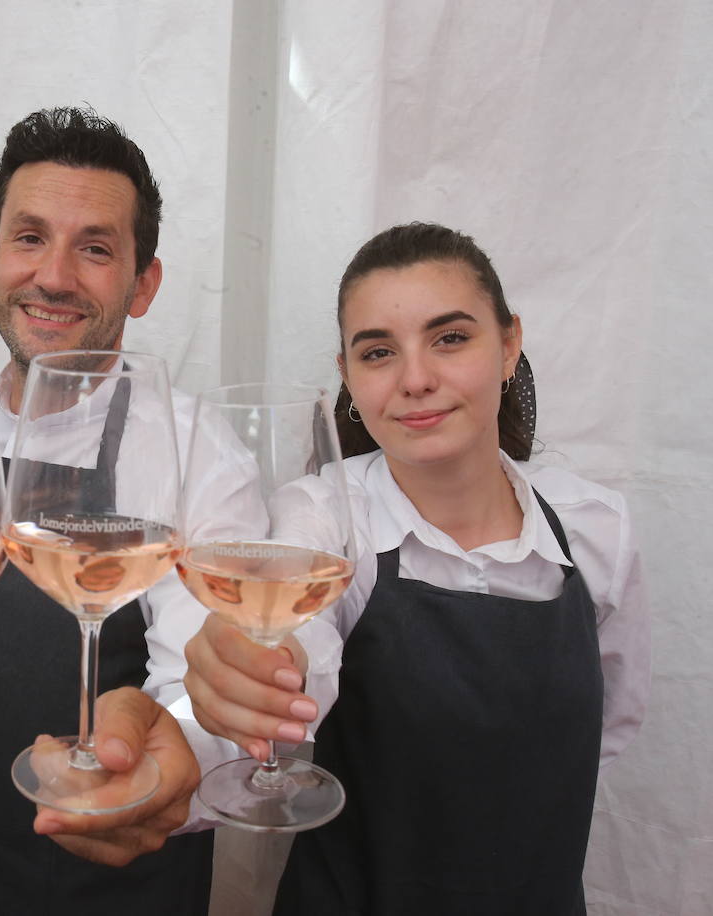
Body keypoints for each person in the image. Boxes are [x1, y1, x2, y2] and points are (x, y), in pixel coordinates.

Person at [0, 107, 329, 915]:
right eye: (28, 238)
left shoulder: (194, 451)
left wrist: (159, 766)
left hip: (113, 871)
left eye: (94, 248)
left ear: (143, 284)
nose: (54, 276)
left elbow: (210, 673)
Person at [182, 222, 650, 915]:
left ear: (509, 344)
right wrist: (256, 668)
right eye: (378, 352)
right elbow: (297, 643)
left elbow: (609, 728)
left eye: (451, 338)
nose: (417, 379)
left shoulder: (596, 529)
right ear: (347, 376)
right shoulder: (325, 516)